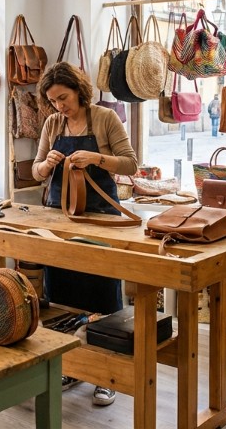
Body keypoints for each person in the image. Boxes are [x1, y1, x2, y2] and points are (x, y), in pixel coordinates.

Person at [32, 61, 138, 407]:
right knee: (63, 297)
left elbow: (130, 163)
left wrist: (96, 157)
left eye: (63, 97)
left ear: (78, 89)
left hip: (100, 217)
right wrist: (47, 165)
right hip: (60, 219)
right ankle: (72, 366)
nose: (59, 106)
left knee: (104, 299)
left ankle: (107, 376)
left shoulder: (105, 118)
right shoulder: (52, 123)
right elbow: (36, 171)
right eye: (53, 101)